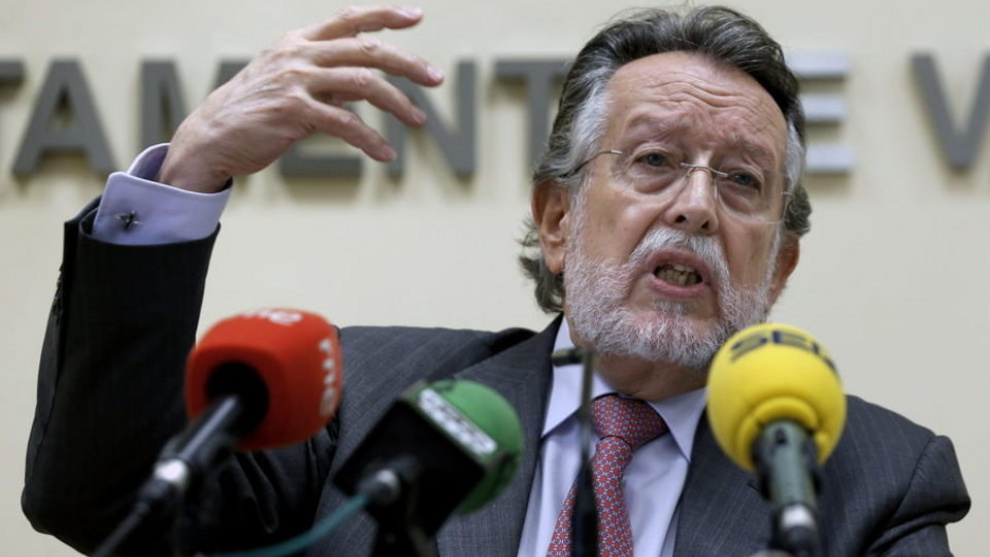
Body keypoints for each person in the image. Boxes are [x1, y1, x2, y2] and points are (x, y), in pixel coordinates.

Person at [22, 5, 969, 557]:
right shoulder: (359, 400)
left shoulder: (876, 482)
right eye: (654, 161)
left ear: (780, 265)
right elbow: (98, 498)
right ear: (557, 220)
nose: (694, 206)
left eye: (741, 182)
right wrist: (189, 171)